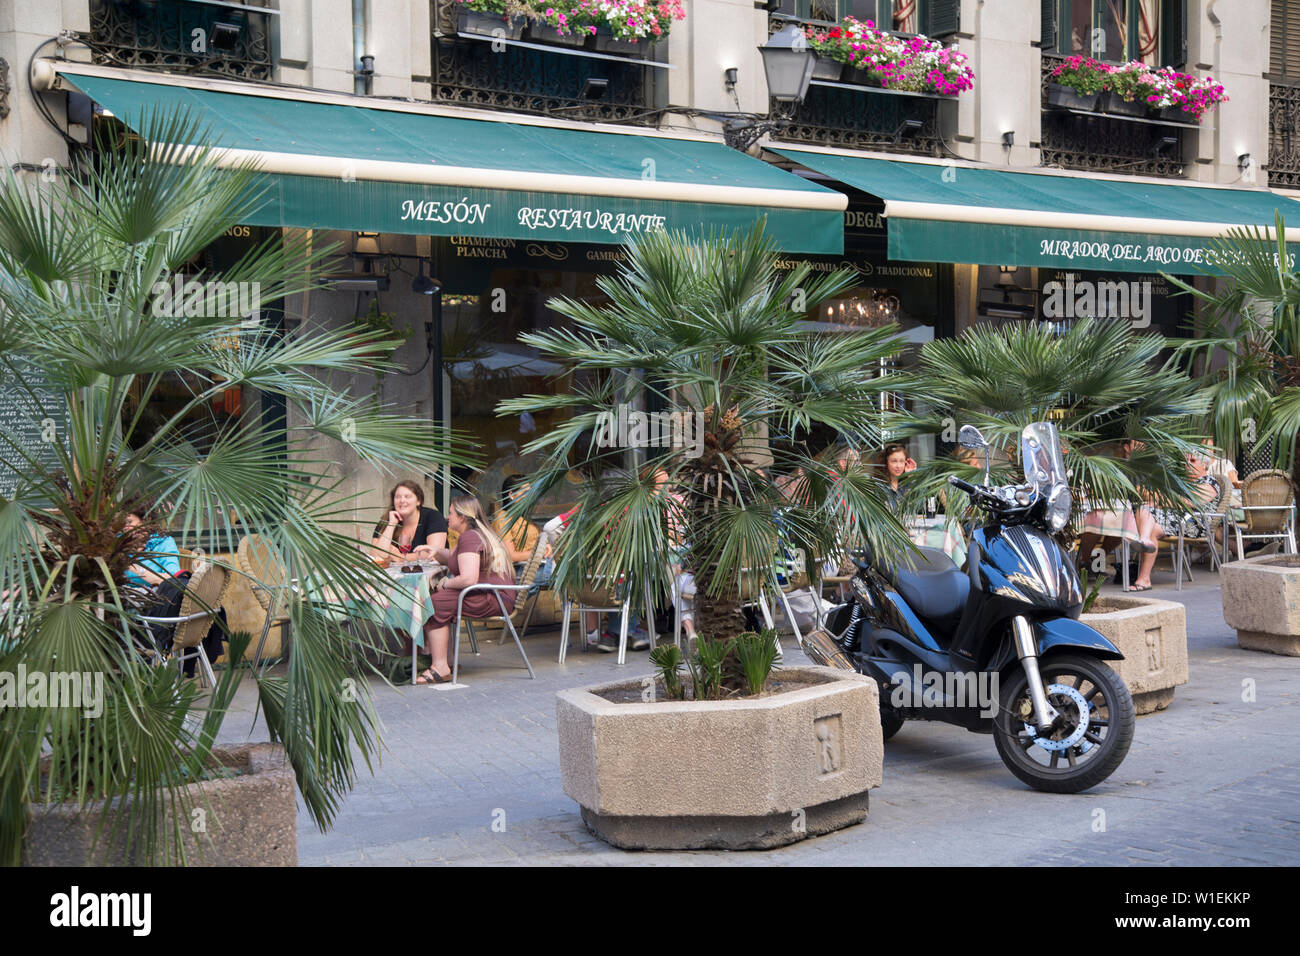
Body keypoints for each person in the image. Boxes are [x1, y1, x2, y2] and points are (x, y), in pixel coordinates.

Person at [417, 494, 519, 684]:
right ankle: (446, 662)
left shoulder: (470, 538)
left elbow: (468, 578)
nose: (448, 517)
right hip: (496, 594)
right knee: (439, 599)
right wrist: (437, 551)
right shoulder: (475, 534)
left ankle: (440, 667)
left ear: (462, 517)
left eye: (451, 513)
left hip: (492, 597)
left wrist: (445, 583)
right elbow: (458, 559)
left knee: (431, 604)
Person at [1127, 453, 1222, 591]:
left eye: (1193, 461)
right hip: (1176, 518)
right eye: (1186, 461)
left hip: (1194, 523)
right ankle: (1144, 572)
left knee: (1149, 514)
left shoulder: (1210, 481)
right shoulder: (1184, 484)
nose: (1187, 464)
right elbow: (1170, 500)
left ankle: (1144, 541)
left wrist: (1162, 500)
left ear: (1204, 465)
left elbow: (1193, 502)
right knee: (1145, 508)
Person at [371, 480, 447, 563]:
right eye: (397, 497)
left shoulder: (433, 517)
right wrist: (391, 524)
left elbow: (434, 553)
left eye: (407, 496)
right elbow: (376, 556)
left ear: (418, 501)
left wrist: (400, 557)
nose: (402, 500)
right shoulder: (386, 520)